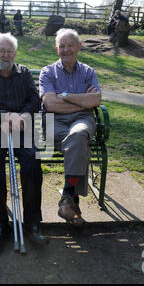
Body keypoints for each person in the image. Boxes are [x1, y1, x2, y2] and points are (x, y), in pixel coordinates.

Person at [0, 32, 47, 247]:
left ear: (15, 53)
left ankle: (32, 221)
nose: (5, 55)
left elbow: (34, 100)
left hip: (22, 128)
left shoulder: (23, 73)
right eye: (1, 50)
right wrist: (3, 116)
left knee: (32, 160)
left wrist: (22, 116)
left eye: (9, 51)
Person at [39, 28, 102, 224]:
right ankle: (72, 201)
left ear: (79, 47)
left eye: (70, 45)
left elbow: (96, 99)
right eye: (62, 46)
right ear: (57, 49)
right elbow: (50, 104)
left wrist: (65, 97)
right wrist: (82, 101)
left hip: (81, 122)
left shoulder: (88, 72)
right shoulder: (48, 72)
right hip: (54, 122)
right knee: (78, 142)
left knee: (79, 134)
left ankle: (67, 194)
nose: (66, 50)